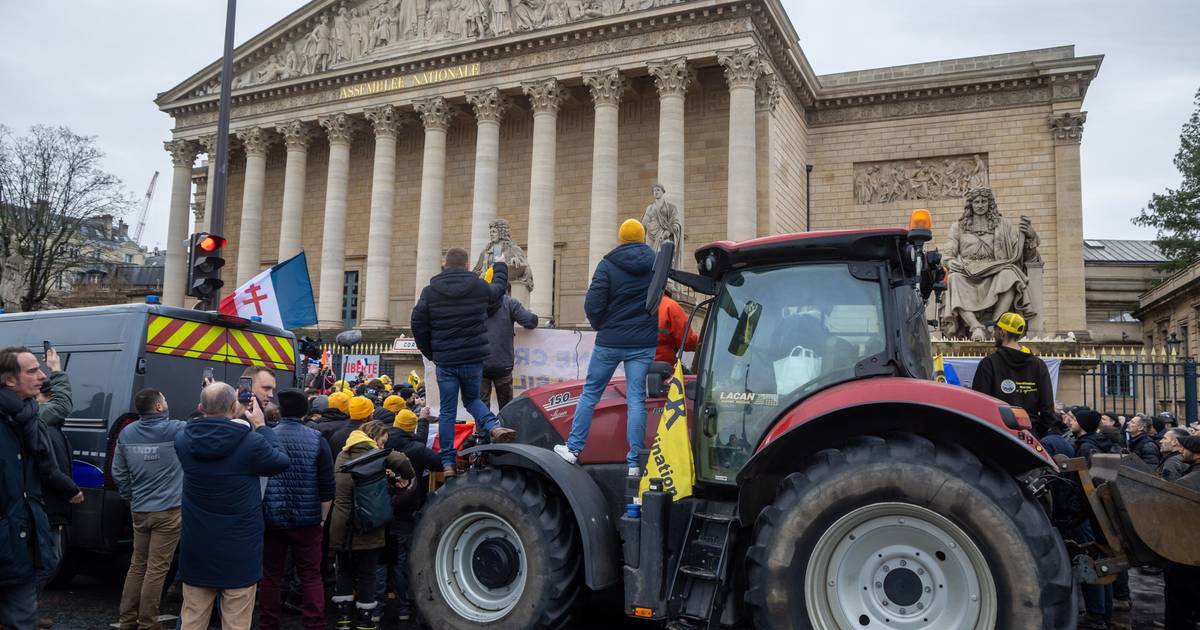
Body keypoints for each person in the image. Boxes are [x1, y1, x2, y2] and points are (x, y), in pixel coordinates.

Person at [175, 383, 290, 630]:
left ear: (200, 407)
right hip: (240, 549)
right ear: (233, 406)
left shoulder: (183, 440)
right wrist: (261, 425)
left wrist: (218, 405)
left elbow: (206, 429)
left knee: (192, 619)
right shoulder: (251, 443)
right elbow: (280, 461)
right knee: (236, 621)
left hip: (197, 546)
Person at [554, 219, 659, 476]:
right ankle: (634, 463)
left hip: (610, 340)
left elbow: (593, 303)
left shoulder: (608, 264)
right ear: (643, 237)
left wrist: (602, 325)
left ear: (620, 238)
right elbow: (659, 297)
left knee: (590, 393)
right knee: (636, 399)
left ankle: (574, 448)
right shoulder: (656, 263)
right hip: (642, 341)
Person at [411, 247, 517, 476]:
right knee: (472, 400)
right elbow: (499, 290)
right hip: (472, 358)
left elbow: (417, 324)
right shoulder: (478, 287)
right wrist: (500, 264)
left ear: (445, 264)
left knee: (448, 412)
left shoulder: (430, 292)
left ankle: (448, 462)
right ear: (468, 265)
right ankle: (494, 426)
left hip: (446, 361)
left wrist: (431, 352)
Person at [258, 389, 335, 630]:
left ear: (281, 411)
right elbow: (327, 484)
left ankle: (268, 623)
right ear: (305, 412)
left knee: (271, 575)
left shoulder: (267, 436)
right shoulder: (317, 439)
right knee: (311, 575)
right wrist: (322, 518)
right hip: (308, 519)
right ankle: (314, 623)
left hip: (273, 517)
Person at [112, 389, 187, 630]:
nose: (166, 401)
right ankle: (148, 623)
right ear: (158, 407)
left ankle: (127, 620)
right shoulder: (176, 429)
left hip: (140, 509)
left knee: (137, 565)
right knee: (157, 569)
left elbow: (118, 472)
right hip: (169, 511)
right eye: (164, 399)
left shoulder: (126, 433)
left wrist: (131, 497)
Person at [330, 420, 414, 630]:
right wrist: (404, 477)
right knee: (368, 574)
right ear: (374, 438)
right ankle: (365, 622)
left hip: (342, 525)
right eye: (382, 441)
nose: (383, 446)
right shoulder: (378, 455)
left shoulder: (342, 455)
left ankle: (343, 619)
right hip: (368, 525)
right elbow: (404, 462)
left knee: (344, 572)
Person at [0, 346, 54, 629]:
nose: (42, 376)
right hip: (6, 541)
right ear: (10, 380)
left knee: (24, 620)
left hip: (21, 545)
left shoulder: (28, 418)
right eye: (32, 371)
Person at [34, 346, 81, 616]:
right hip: (42, 503)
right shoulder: (37, 418)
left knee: (45, 562)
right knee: (45, 563)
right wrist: (56, 370)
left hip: (45, 503)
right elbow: (62, 404)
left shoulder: (43, 422)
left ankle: (25, 613)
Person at [382, 408, 440, 622]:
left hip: (380, 509)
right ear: (412, 428)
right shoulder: (417, 449)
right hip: (406, 511)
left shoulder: (381, 442)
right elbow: (438, 462)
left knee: (381, 560)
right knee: (403, 560)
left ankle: (378, 607)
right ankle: (405, 607)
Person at [970, 312, 1055, 433]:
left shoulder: (989, 363)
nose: (993, 334)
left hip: (998, 433)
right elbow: (1048, 409)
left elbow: (979, 404)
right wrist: (1036, 433)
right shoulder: (1038, 365)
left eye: (995, 329)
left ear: (1002, 332)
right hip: (1029, 434)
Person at [481, 272, 539, 412]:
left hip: (480, 363)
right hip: (503, 364)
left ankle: (483, 427)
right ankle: (504, 425)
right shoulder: (509, 303)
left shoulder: (476, 304)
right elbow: (530, 321)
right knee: (507, 408)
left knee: (482, 407)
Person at [655, 289, 698, 364]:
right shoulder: (670, 305)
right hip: (662, 365)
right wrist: (705, 340)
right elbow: (687, 341)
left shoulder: (635, 304)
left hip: (635, 364)